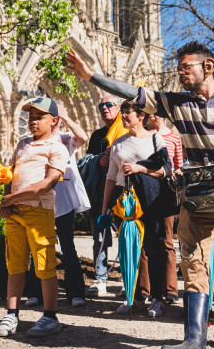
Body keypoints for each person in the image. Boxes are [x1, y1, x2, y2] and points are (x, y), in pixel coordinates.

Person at [65, 41, 214, 349]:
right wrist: (91, 75)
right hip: (196, 196)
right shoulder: (176, 103)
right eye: (179, 68)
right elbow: (132, 92)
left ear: (208, 67)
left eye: (186, 67)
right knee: (194, 266)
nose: (180, 73)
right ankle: (193, 338)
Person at [0, 97, 69, 338]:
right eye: (31, 117)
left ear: (54, 120)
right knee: (14, 264)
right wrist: (7, 199)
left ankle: (50, 316)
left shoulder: (57, 147)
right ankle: (11, 313)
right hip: (15, 212)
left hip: (39, 210)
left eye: (40, 117)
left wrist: (12, 199)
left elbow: (47, 184)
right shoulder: (23, 144)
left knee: (45, 265)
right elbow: (10, 175)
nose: (33, 121)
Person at [102, 101, 169, 318]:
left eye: (127, 112)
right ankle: (134, 298)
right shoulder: (118, 144)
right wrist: (105, 207)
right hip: (126, 202)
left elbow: (166, 169)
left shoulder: (154, 138)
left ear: (141, 115)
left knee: (153, 248)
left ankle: (157, 299)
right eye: (121, 112)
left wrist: (140, 168)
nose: (123, 115)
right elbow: (111, 177)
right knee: (129, 249)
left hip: (150, 199)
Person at [22, 103, 90, 308]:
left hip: (62, 203)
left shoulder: (66, 139)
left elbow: (83, 138)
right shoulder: (28, 142)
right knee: (38, 247)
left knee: (68, 247)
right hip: (40, 202)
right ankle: (35, 293)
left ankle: (75, 293)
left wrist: (66, 118)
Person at [145, 114, 183, 304]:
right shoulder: (143, 136)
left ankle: (171, 290)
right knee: (147, 243)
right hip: (145, 190)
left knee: (167, 241)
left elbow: (179, 165)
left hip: (167, 192)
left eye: (156, 111)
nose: (153, 115)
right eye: (149, 111)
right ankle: (145, 289)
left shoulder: (174, 136)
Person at [85, 94, 120, 298]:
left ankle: (128, 279)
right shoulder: (97, 135)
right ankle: (100, 279)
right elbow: (88, 158)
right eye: (101, 106)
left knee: (126, 237)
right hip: (99, 192)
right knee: (99, 238)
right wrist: (99, 160)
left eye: (109, 105)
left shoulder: (126, 131)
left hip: (122, 193)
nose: (104, 108)